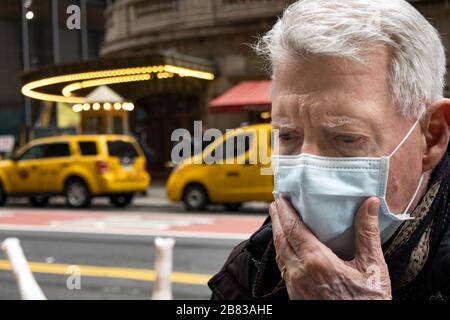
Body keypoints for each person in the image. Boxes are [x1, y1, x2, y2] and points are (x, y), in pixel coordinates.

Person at [208, 0, 450, 300]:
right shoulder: (250, 268)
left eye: (345, 138)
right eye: (288, 135)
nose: (306, 175)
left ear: (431, 136)